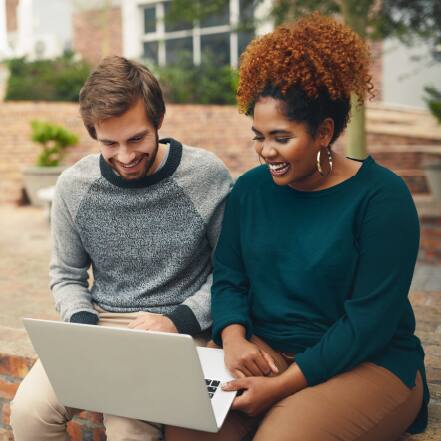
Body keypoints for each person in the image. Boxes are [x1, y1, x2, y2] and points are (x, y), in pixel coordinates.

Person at [165, 13, 430, 441]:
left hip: (367, 361)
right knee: (188, 428)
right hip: (267, 350)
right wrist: (233, 340)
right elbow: (230, 278)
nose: (266, 151)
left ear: (324, 131)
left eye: (281, 137)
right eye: (258, 135)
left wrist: (279, 388)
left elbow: (369, 323)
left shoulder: (381, 198)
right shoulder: (251, 190)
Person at [10, 56, 233, 441]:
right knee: (28, 413)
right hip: (100, 324)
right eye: (108, 143)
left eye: (136, 139)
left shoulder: (206, 177)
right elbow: (66, 276)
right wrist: (82, 327)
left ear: (158, 121)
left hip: (180, 329)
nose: (125, 157)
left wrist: (176, 321)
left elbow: (230, 274)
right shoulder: (73, 187)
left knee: (130, 430)